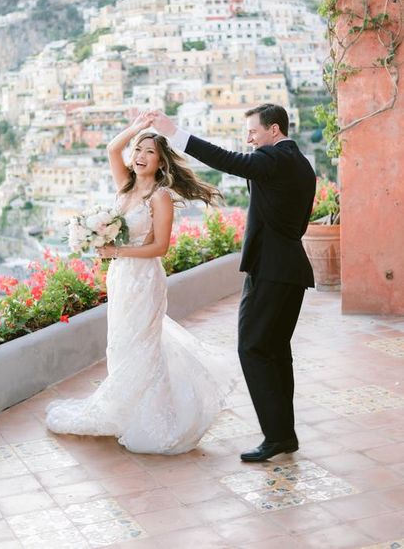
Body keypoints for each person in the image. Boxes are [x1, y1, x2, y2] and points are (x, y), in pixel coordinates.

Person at [46, 112, 237, 454]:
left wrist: (117, 248)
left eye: (149, 152)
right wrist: (137, 129)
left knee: (144, 344)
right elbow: (110, 148)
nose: (139, 156)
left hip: (145, 279)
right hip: (120, 276)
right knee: (120, 343)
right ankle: (125, 408)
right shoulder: (126, 187)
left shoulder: (160, 197)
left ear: (161, 162)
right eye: (138, 150)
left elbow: (161, 247)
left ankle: (154, 416)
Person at [151, 103, 316, 462]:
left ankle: (276, 436)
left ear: (274, 130)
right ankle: (283, 435)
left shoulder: (276, 160)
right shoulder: (300, 164)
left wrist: (173, 133)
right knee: (275, 351)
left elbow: (229, 160)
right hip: (290, 268)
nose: (249, 139)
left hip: (272, 271)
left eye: (254, 132)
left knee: (253, 349)